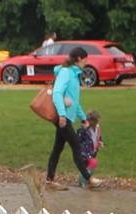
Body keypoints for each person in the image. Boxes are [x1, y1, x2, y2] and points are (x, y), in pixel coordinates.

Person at [46, 46, 99, 189]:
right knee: (76, 146)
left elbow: (75, 102)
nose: (86, 62)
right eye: (85, 59)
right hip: (62, 118)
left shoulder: (74, 75)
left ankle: (49, 181)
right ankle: (89, 179)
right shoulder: (66, 72)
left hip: (66, 117)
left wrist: (83, 118)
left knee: (57, 149)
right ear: (79, 59)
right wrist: (62, 114)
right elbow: (57, 93)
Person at [80, 110, 103, 175]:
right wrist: (85, 128)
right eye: (96, 121)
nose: (97, 122)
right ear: (91, 121)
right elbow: (81, 137)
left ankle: (89, 178)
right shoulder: (85, 128)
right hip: (86, 150)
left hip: (94, 150)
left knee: (92, 165)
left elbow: (98, 135)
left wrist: (100, 141)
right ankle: (83, 179)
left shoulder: (97, 126)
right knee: (88, 164)